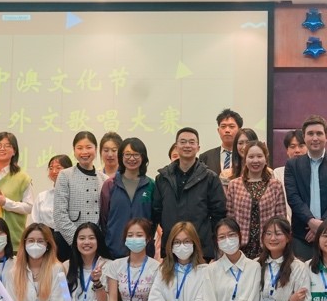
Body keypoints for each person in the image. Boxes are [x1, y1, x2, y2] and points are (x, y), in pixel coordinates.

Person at [284, 115, 327, 262]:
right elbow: (293, 197)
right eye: (310, 134)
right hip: (303, 236)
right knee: (303, 275)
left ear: (326, 137)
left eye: (319, 133)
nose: (315, 138)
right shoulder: (292, 165)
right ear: (304, 137)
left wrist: (322, 225)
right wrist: (310, 221)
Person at [152, 127, 227, 260]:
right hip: (171, 246)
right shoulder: (163, 178)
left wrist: (207, 235)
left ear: (198, 148)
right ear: (176, 147)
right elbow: (157, 211)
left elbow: (219, 213)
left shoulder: (210, 177)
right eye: (183, 142)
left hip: (201, 248)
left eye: (191, 142)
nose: (187, 145)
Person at [226, 140, 289, 257]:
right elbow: (230, 219)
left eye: (259, 156)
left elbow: (281, 219)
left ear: (265, 159)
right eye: (251, 157)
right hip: (240, 248)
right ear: (245, 159)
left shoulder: (275, 185)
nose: (255, 160)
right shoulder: (234, 185)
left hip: (269, 247)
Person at [99, 137, 154, 259]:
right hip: (114, 251)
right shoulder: (110, 184)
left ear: (143, 157)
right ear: (121, 156)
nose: (132, 158)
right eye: (127, 154)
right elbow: (104, 219)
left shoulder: (151, 185)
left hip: (143, 252)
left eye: (136, 154)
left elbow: (154, 219)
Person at [53, 131, 103, 263]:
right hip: (67, 242)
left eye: (88, 147)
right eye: (79, 148)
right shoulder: (65, 175)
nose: (84, 152)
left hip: (95, 243)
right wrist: (78, 241)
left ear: (96, 149)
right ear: (74, 151)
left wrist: (94, 241)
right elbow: (59, 214)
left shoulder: (104, 179)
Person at [34, 154, 73, 249]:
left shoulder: (75, 196)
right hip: (46, 240)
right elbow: (36, 222)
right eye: (51, 168)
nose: (54, 171)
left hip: (69, 240)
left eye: (58, 168)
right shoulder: (42, 196)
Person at [199, 108, 243, 175]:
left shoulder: (245, 155)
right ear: (218, 130)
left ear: (239, 130)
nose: (227, 130)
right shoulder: (205, 157)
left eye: (231, 126)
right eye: (223, 126)